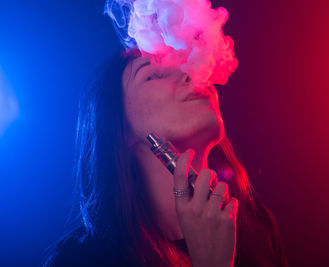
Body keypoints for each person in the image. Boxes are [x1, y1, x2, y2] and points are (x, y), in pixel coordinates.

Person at [43, 47, 289, 266]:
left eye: (187, 64)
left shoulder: (257, 228)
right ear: (118, 127)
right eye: (155, 75)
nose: (192, 75)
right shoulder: (82, 260)